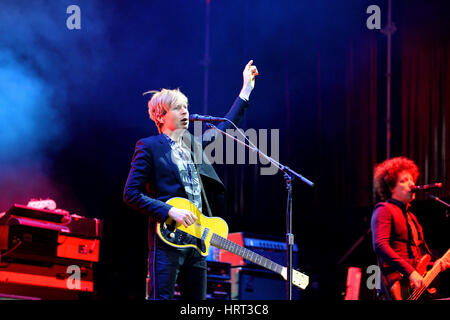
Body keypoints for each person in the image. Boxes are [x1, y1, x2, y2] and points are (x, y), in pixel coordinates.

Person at [123, 60, 258, 300]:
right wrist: (168, 211)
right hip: (168, 240)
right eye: (178, 108)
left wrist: (246, 89)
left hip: (197, 239)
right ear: (160, 116)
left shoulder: (193, 145)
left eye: (186, 106)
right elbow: (131, 194)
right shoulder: (150, 147)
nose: (185, 111)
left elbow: (225, 128)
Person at [371, 156, 450, 299]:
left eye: (411, 179)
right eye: (403, 180)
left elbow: (418, 255)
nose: (411, 184)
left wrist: (436, 263)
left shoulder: (411, 217)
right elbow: (380, 245)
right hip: (397, 286)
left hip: (412, 287)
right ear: (391, 187)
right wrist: (411, 272)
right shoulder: (384, 209)